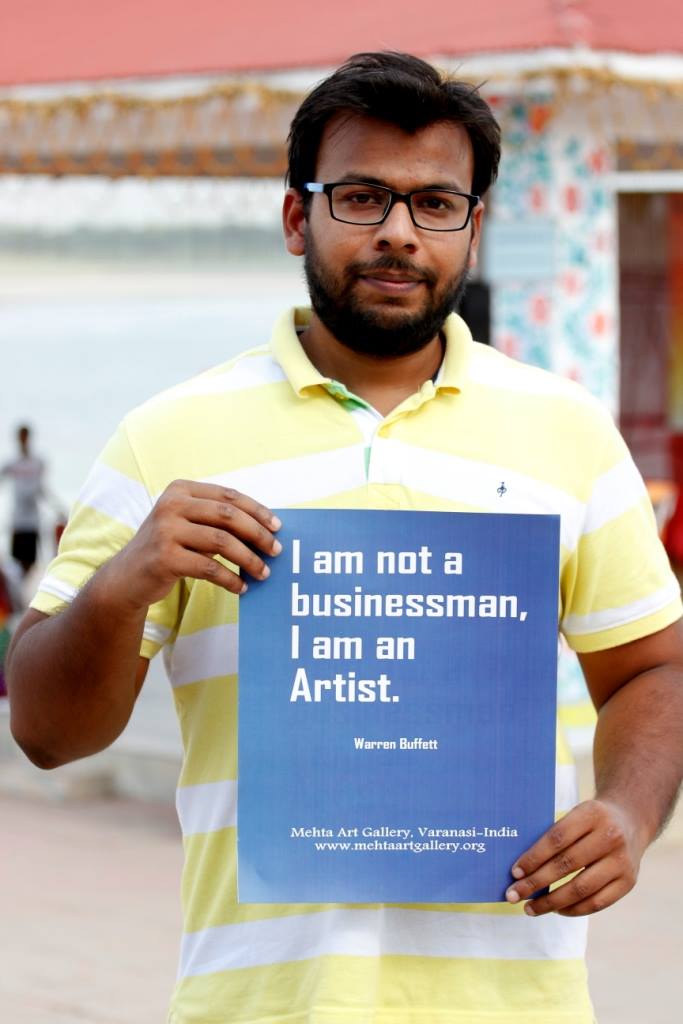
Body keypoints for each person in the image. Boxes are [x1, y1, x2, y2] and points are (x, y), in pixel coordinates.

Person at [6, 52, 683, 1024]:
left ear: (473, 229)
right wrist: (123, 582)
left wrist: (628, 810)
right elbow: (44, 732)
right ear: (297, 217)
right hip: (258, 1006)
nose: (399, 232)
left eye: (435, 204)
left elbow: (650, 669)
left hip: (515, 1002)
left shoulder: (567, 431)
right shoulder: (166, 438)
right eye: (361, 197)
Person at [1, 424, 45, 576]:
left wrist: (58, 507)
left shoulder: (37, 462)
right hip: (17, 521)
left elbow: (42, 489)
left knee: (31, 563)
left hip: (33, 521)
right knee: (17, 564)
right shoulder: (12, 463)